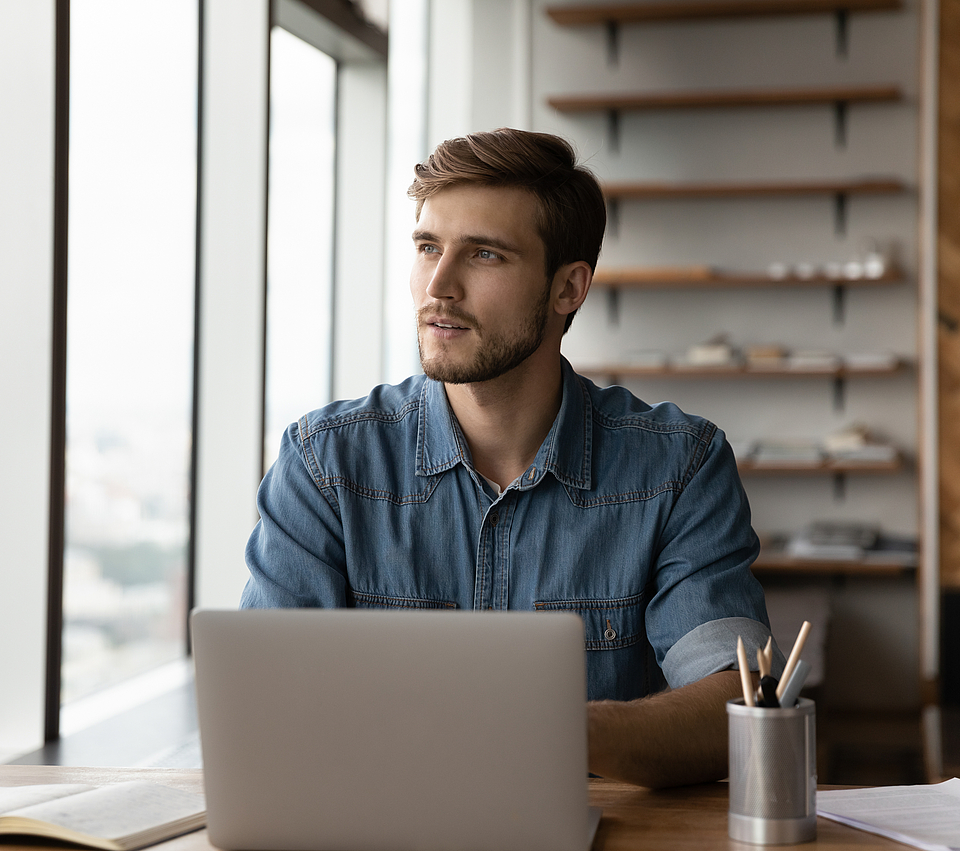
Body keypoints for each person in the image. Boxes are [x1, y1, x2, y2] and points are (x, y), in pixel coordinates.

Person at [241, 127, 784, 788]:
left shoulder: (680, 466)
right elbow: (264, 709)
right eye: (427, 247)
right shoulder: (323, 464)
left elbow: (736, 706)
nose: (438, 285)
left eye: (486, 255)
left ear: (568, 289)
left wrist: (536, 728)